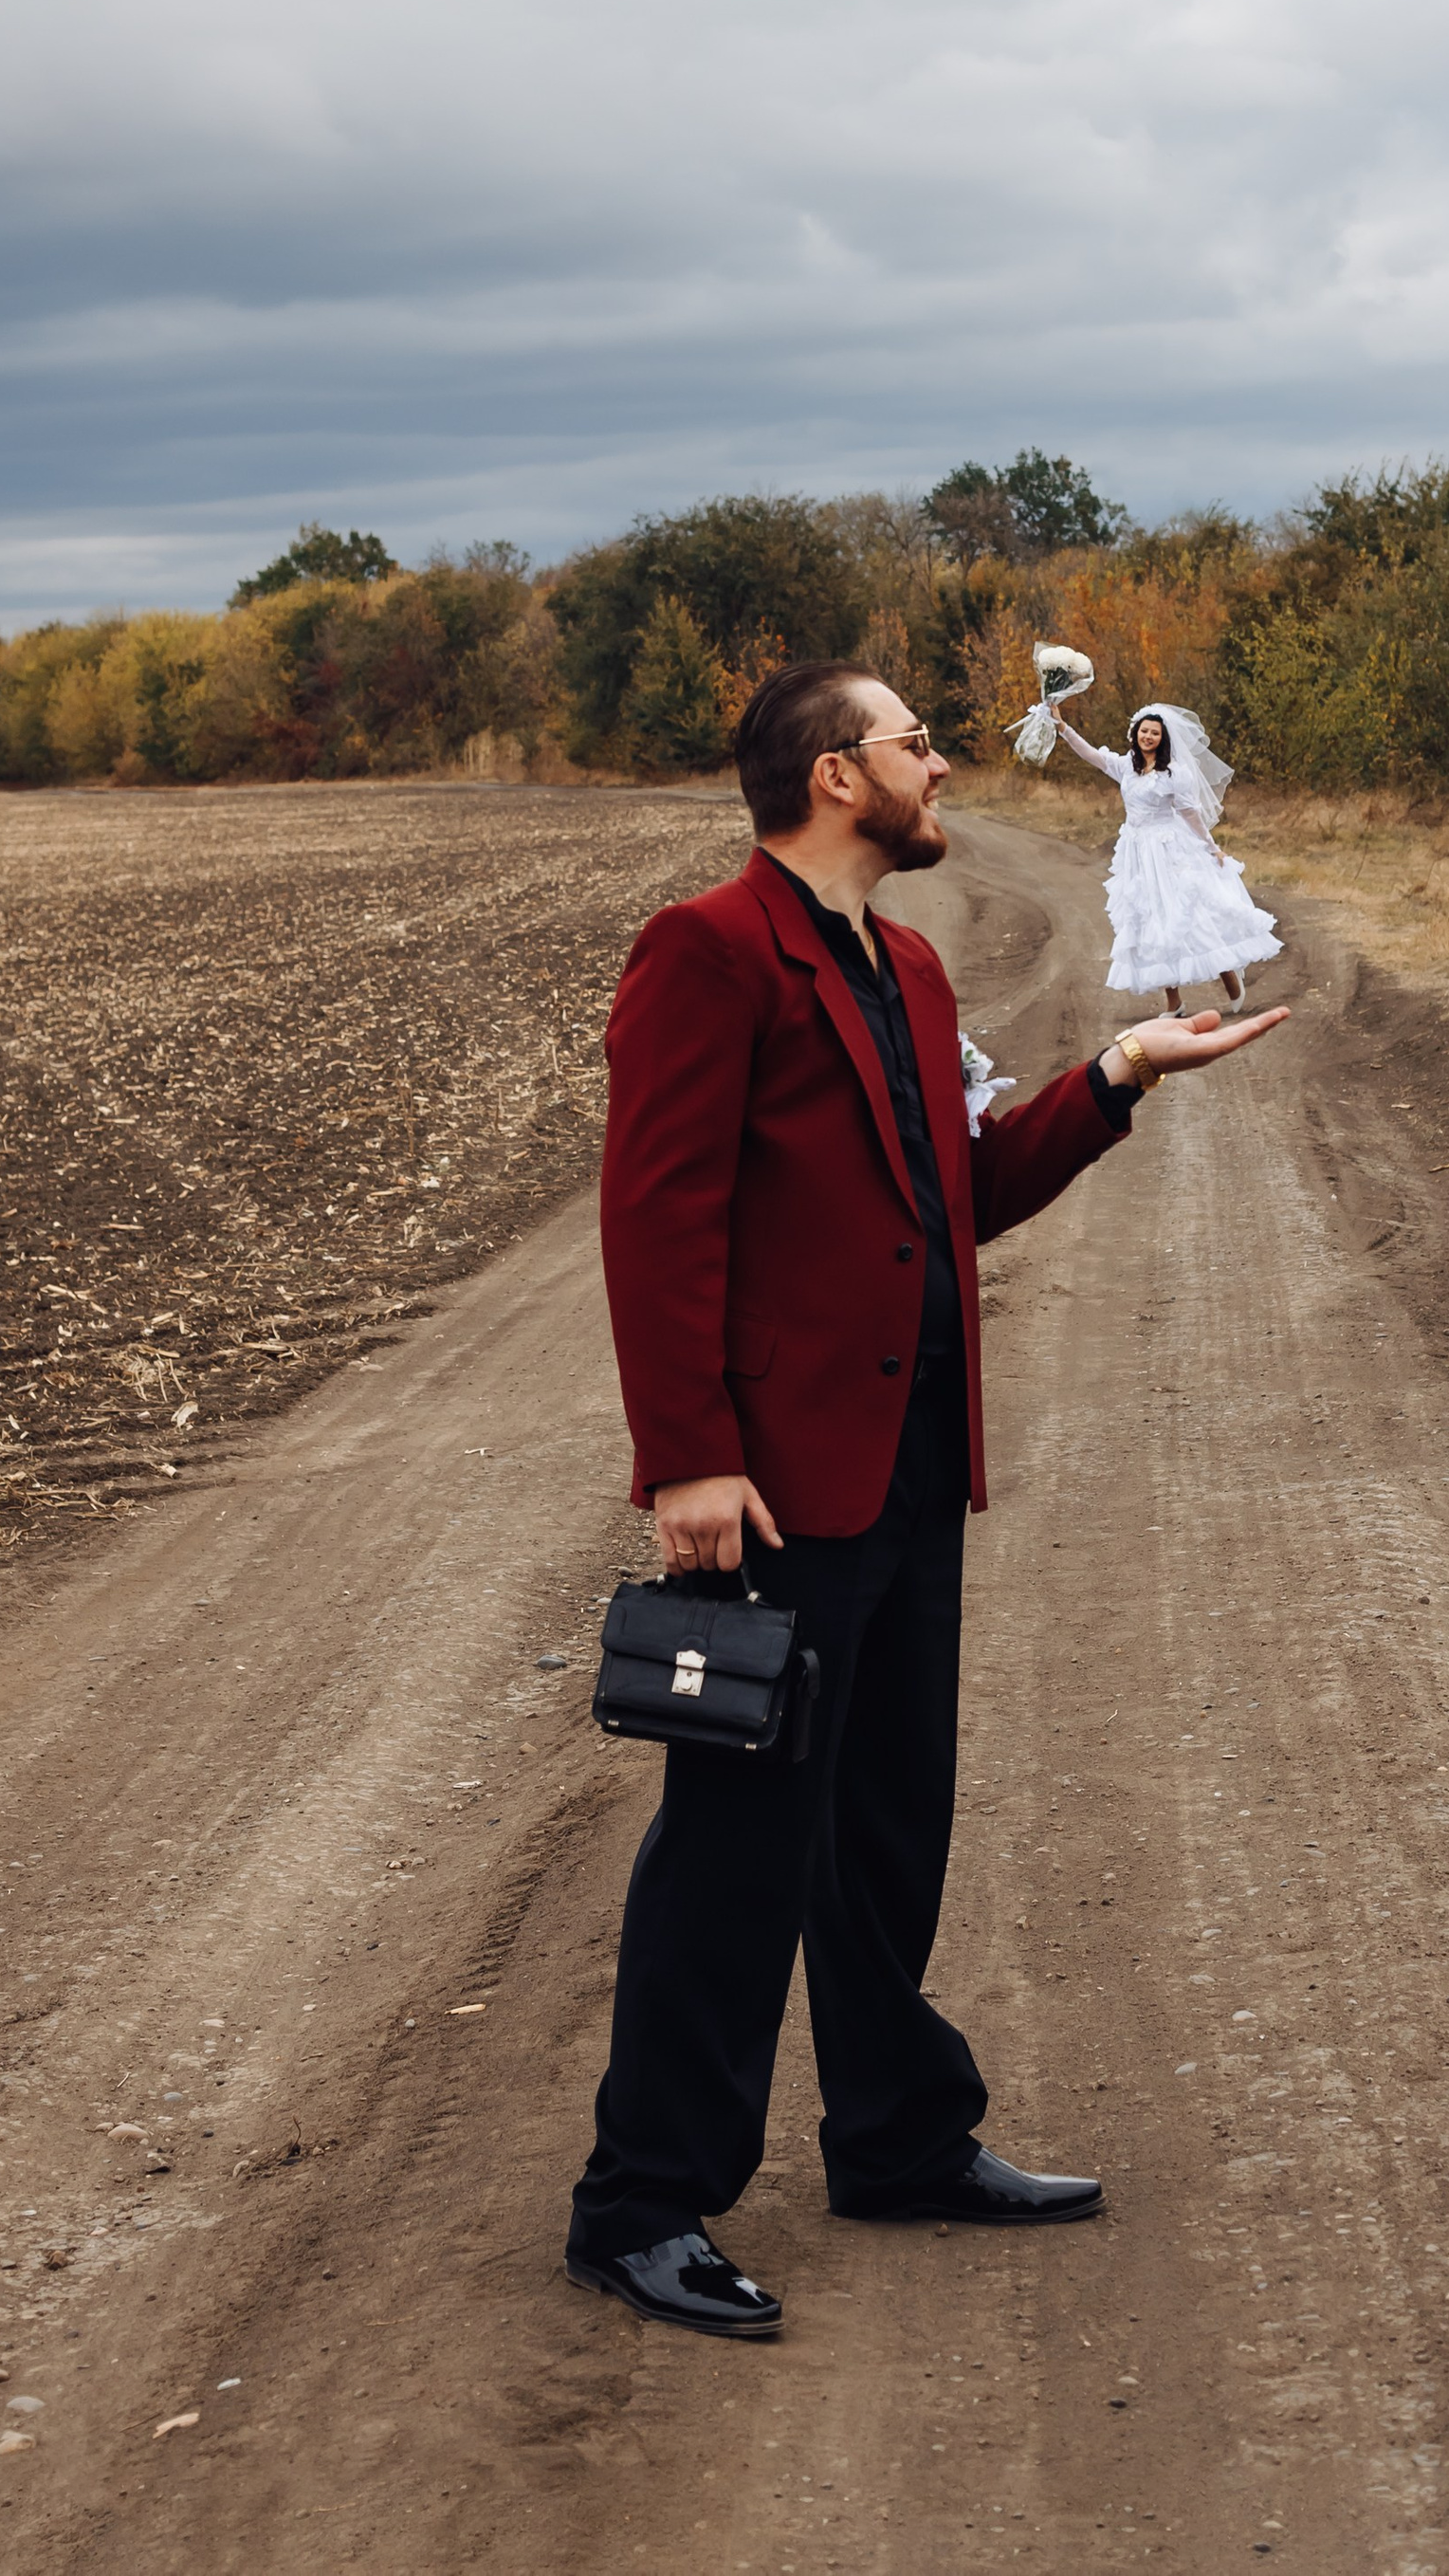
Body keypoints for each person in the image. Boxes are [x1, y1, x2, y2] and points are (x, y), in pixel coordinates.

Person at [566, 657, 1289, 2340]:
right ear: (834, 779)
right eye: (914, 744)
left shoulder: (901, 964)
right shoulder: (709, 950)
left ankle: (896, 2136)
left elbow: (954, 1197)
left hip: (905, 1467)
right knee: (736, 1850)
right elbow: (656, 1212)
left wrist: (1118, 1077)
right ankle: (642, 2201)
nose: (942, 763)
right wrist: (686, 1451)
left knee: (887, 1828)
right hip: (770, 1486)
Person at [1056, 703, 1284, 1014]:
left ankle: (1228, 973)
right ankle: (1174, 1002)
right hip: (1137, 854)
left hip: (1167, 850)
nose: (1147, 736)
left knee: (1190, 915)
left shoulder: (1175, 772)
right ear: (1135, 733)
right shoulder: (1126, 766)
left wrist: (1210, 846)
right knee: (1152, 921)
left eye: (1154, 732)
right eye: (1143, 731)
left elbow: (1190, 813)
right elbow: (1091, 754)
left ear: (1163, 738)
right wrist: (1063, 728)